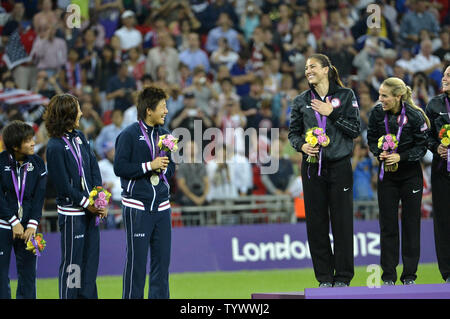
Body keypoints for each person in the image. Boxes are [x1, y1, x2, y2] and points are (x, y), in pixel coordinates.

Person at [288, 53, 361, 287]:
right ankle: (324, 278)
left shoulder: (345, 95)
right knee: (316, 224)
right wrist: (302, 145)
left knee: (342, 222)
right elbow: (293, 134)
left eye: (313, 66)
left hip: (339, 166)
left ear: (326, 69)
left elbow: (355, 129)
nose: (308, 70)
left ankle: (343, 277)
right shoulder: (301, 100)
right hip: (311, 167)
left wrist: (333, 112)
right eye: (306, 67)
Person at [367, 77, 430, 285]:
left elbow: (422, 147)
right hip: (387, 177)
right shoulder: (377, 113)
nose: (380, 99)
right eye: (380, 95)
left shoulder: (415, 115)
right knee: (388, 227)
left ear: (398, 96)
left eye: (384, 96)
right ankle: (388, 277)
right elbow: (371, 138)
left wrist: (400, 157)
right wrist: (380, 154)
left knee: (411, 225)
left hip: (410, 177)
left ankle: (409, 276)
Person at [114, 86, 176, 299]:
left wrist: (165, 167)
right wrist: (150, 165)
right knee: (137, 264)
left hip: (162, 206)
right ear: (149, 110)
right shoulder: (129, 134)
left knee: (162, 265)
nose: (166, 111)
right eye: (163, 107)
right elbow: (119, 168)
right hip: (137, 207)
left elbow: (172, 168)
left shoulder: (166, 135)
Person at [44, 94, 107, 299]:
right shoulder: (54, 146)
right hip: (73, 214)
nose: (81, 112)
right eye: (78, 108)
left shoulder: (80, 136)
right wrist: (85, 203)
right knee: (73, 266)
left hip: (91, 211)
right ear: (68, 113)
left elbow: (93, 168)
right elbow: (62, 185)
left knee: (89, 267)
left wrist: (100, 200)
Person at [0, 121, 47, 299]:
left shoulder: (38, 164)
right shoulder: (1, 162)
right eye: (27, 140)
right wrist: (14, 222)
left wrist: (32, 225)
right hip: (3, 225)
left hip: (28, 228)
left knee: (28, 276)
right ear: (15, 145)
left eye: (32, 138)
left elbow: (39, 196)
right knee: (1, 276)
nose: (33, 143)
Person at [425, 64, 450, 283]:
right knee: (443, 222)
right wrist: (436, 147)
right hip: (442, 171)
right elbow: (427, 136)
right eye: (444, 74)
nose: (445, 78)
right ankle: (448, 273)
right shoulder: (433, 104)